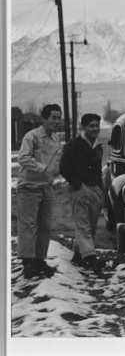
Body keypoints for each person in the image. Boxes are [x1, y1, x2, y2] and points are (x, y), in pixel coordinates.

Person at [16, 103, 63, 279]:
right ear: (44, 119)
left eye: (59, 118)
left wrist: (56, 173)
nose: (56, 121)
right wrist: (43, 168)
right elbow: (23, 158)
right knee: (28, 226)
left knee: (45, 226)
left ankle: (39, 260)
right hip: (28, 187)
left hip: (46, 187)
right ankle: (28, 264)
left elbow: (57, 162)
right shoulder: (32, 136)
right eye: (53, 117)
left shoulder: (56, 139)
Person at [59, 113, 106, 276]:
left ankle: (79, 255)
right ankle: (91, 259)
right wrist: (78, 184)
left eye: (96, 126)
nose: (95, 129)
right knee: (83, 225)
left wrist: (100, 189)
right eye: (91, 126)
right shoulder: (74, 145)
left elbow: (98, 170)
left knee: (91, 225)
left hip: (95, 190)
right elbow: (64, 167)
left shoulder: (97, 146)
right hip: (79, 190)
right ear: (83, 127)